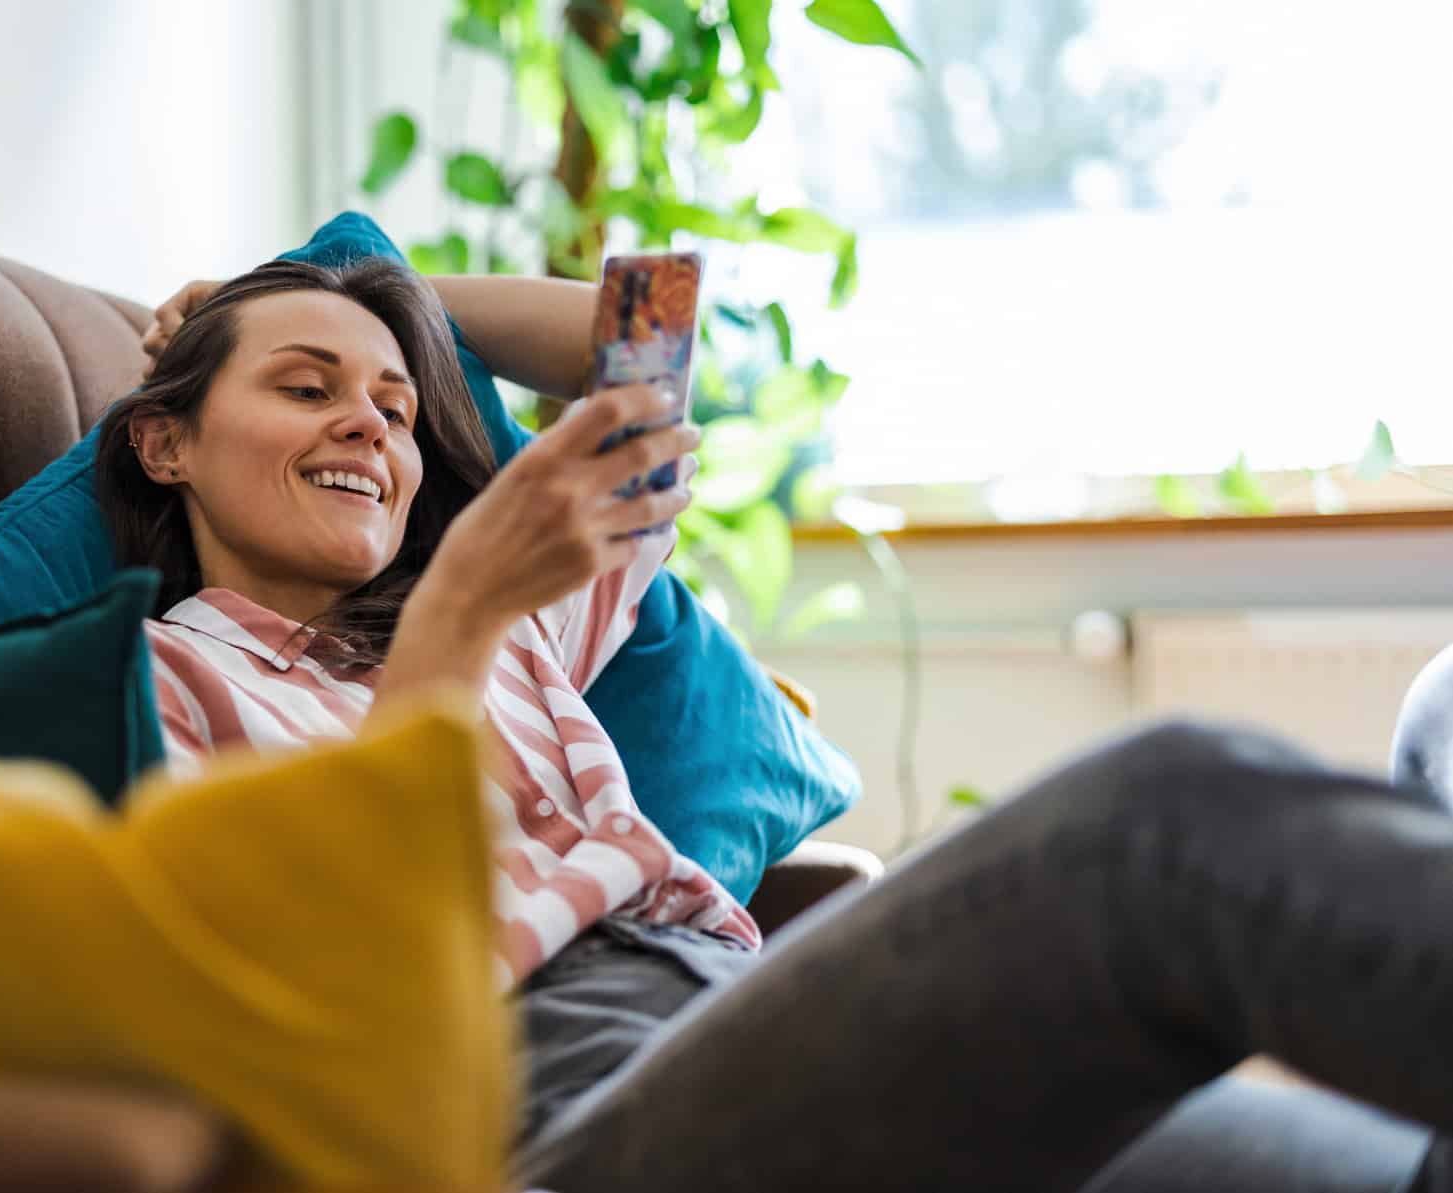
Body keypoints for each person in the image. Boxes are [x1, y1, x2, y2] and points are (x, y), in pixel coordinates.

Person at [101, 256, 1451, 1191]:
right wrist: (452, 610)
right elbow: (325, 989)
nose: (368, 428)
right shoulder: (160, 680)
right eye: (302, 387)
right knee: (1155, 824)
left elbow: (651, 327)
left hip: (765, 1020)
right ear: (166, 445)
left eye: (394, 408)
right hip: (554, 1114)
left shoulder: (515, 624)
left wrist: (364, 302)